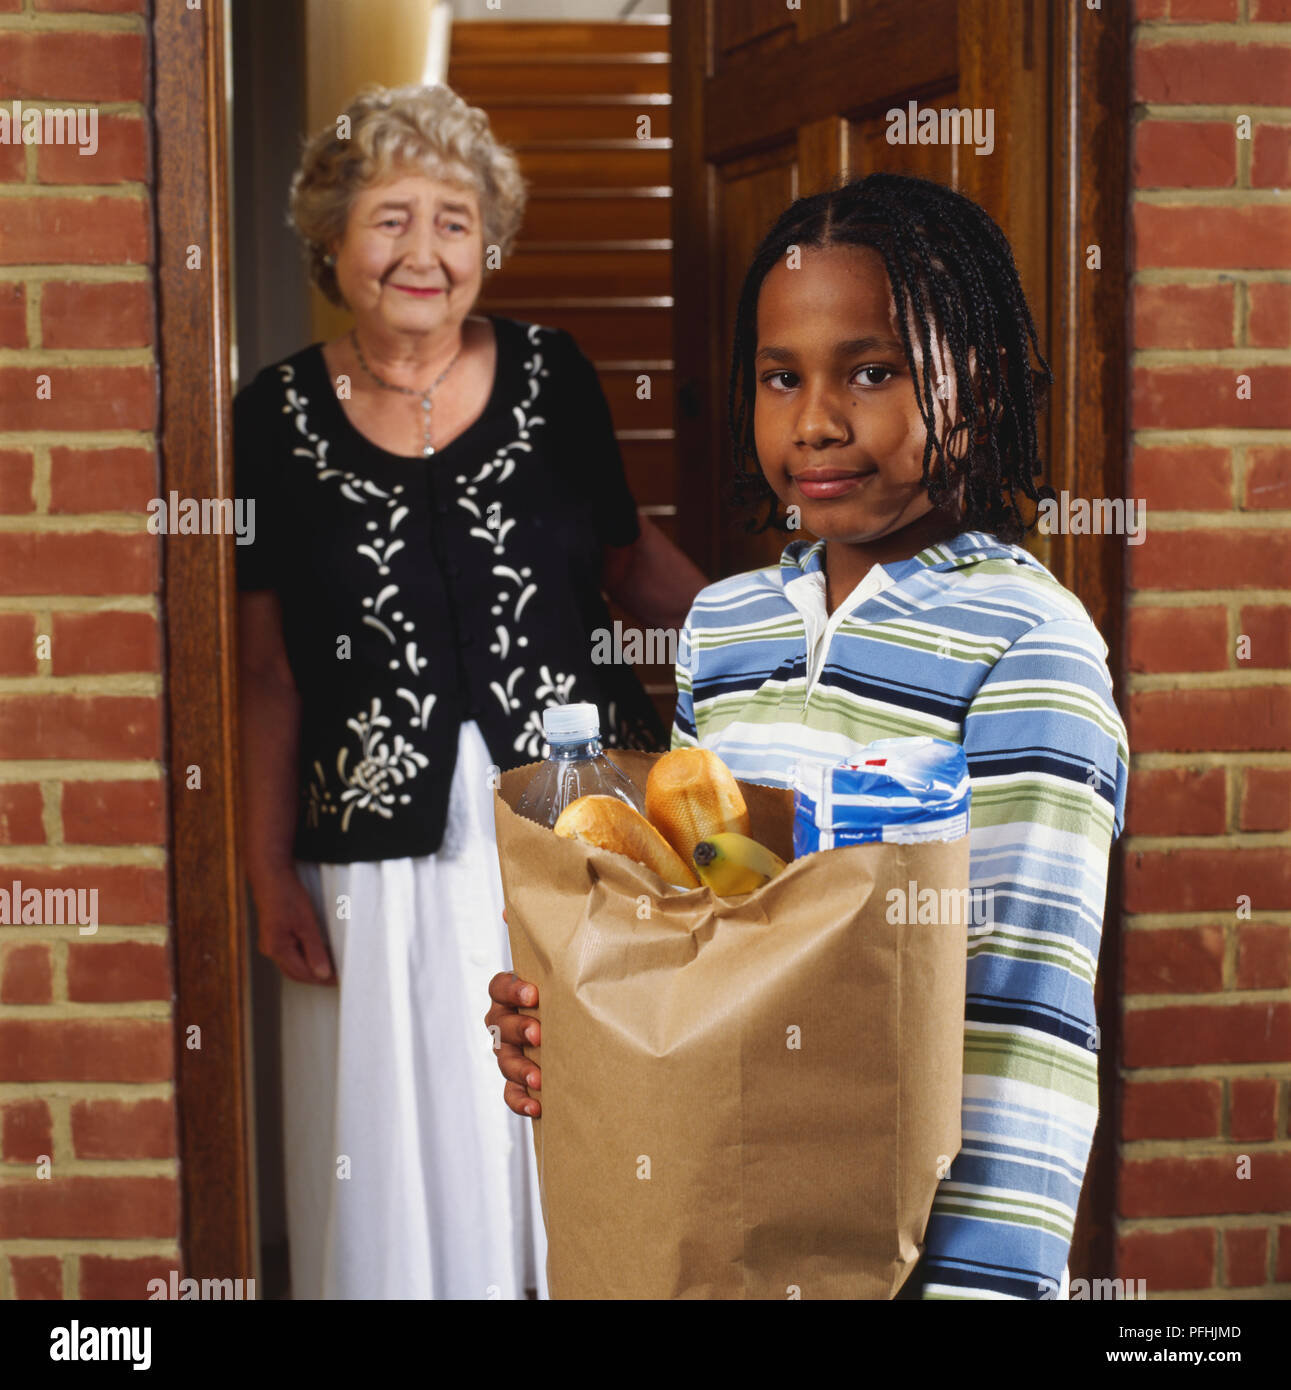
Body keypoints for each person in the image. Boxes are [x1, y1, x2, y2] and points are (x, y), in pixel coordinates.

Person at [487, 172, 1129, 1301]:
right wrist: (585, 1029)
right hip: (719, 1231)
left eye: (871, 371)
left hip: (914, 1262)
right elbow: (696, 933)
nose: (817, 420)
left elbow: (1018, 1014)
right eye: (781, 378)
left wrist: (986, 1288)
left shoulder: (1028, 641)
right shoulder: (724, 628)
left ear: (973, 383)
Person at [236, 82, 705, 1300]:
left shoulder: (555, 377)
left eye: (454, 219)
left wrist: (778, 637)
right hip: (370, 863)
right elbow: (268, 667)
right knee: (388, 1129)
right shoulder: (273, 419)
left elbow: (626, 564)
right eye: (390, 218)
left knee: (562, 1113)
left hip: (564, 828)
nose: (424, 251)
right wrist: (260, 863)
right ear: (333, 242)